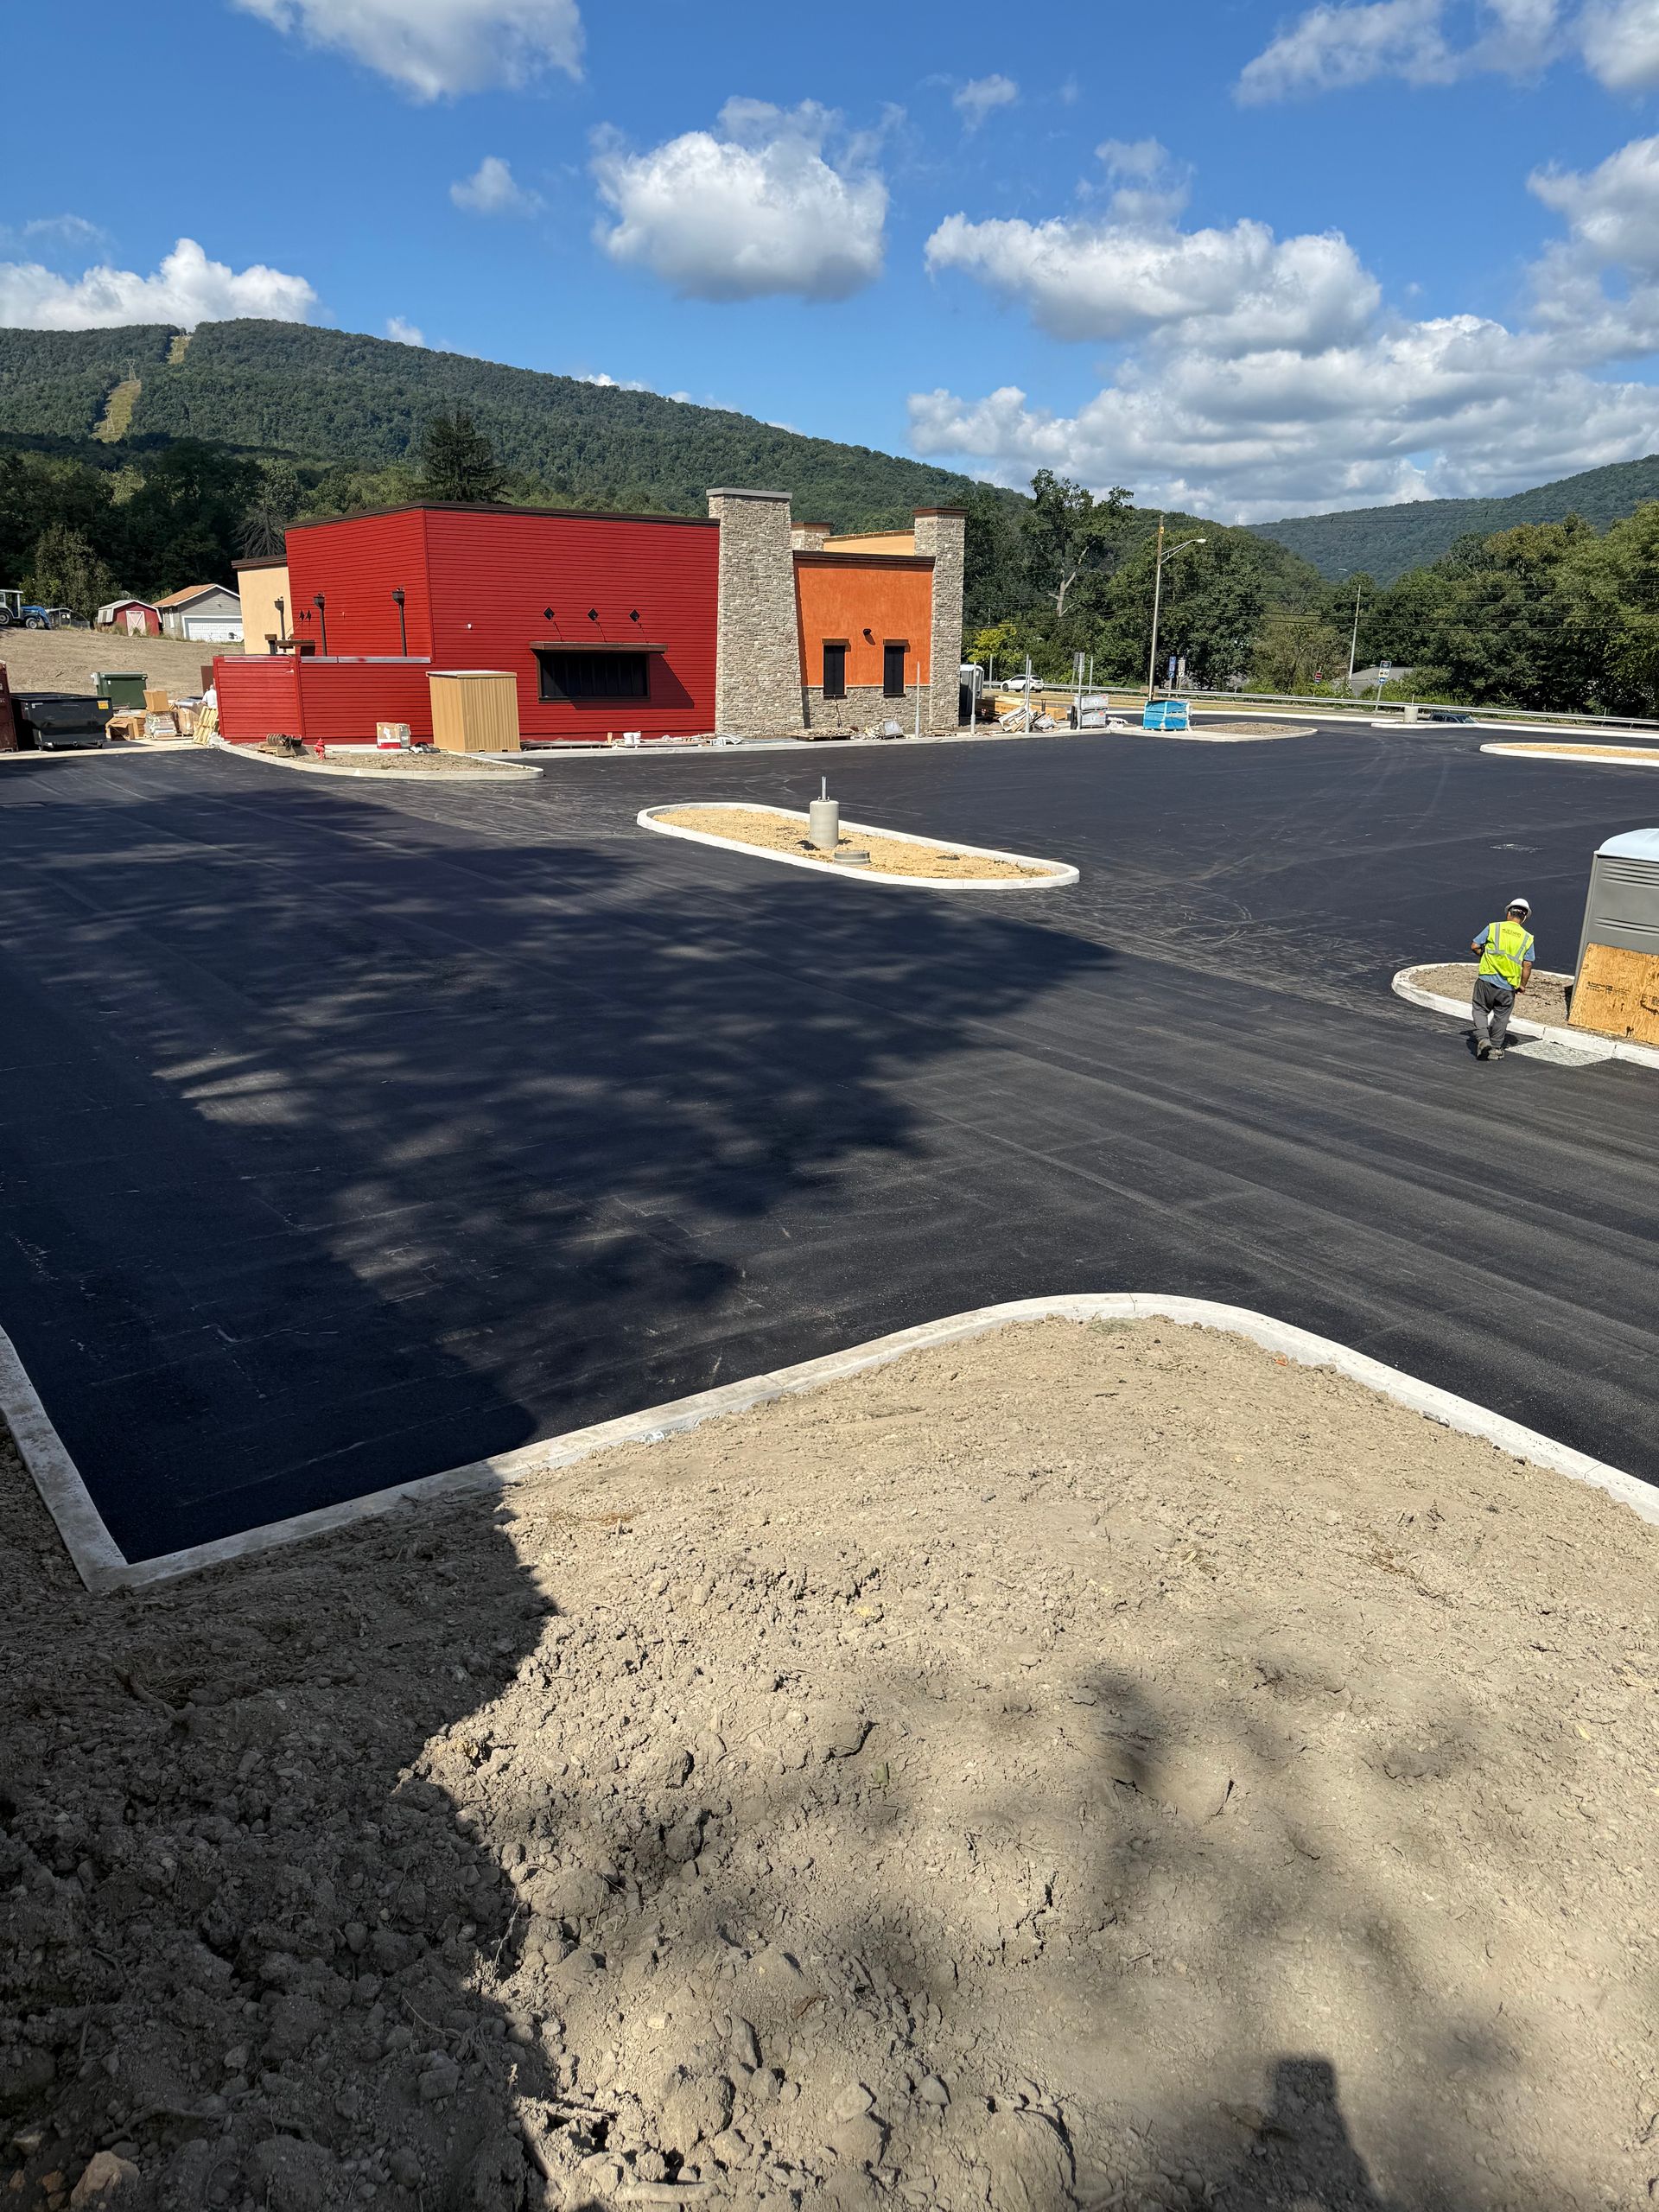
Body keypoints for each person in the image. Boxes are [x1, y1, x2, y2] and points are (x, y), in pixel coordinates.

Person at [1469, 897, 1535, 1058]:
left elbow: (1475, 946)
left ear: (1508, 913)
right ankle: (1496, 1049)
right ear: (1524, 917)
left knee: (1480, 1009)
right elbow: (1527, 965)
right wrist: (1522, 984)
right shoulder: (1527, 938)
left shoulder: (1493, 928)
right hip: (1508, 986)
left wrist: (1484, 956)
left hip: (1486, 980)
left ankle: (1483, 1039)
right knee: (1501, 1016)